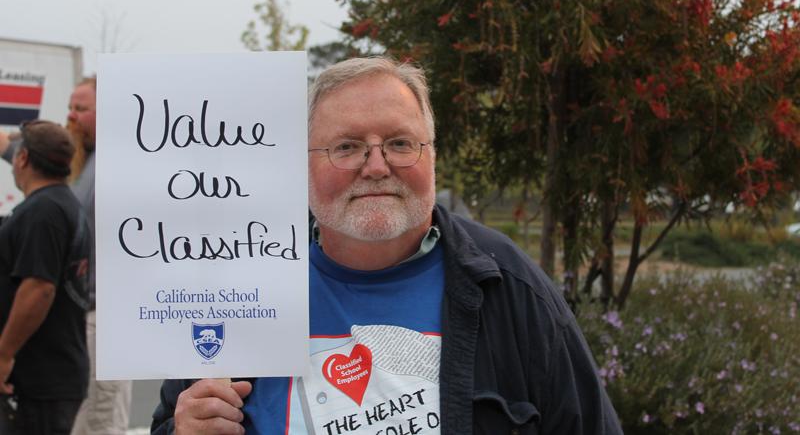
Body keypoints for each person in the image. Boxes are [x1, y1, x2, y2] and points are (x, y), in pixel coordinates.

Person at [151, 57, 622, 434]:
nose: (376, 166)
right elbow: (171, 422)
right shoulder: (242, 285)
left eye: (399, 143)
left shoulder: (510, 287)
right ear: (303, 165)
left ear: (432, 154)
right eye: (347, 147)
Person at [0, 78, 133, 435]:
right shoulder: (75, 162)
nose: (71, 116)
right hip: (77, 317)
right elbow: (25, 149)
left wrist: (5, 351)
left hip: (103, 317)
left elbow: (39, 285)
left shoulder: (122, 161)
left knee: (100, 423)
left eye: (81, 109)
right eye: (70, 107)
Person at [0, 120, 91, 434]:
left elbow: (39, 288)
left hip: (41, 376)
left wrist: (4, 355)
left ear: (22, 158)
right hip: (53, 373)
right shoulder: (62, 203)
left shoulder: (43, 211)